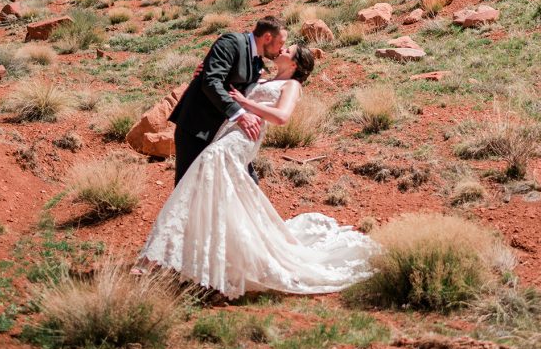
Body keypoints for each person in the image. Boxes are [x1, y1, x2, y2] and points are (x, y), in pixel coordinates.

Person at [138, 42, 378, 298]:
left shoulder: (292, 86)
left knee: (208, 167)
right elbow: (222, 87)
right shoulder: (260, 78)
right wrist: (204, 74)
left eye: (288, 51)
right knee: (220, 191)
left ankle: (178, 255)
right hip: (226, 133)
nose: (282, 50)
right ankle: (214, 254)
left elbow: (281, 117)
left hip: (244, 139)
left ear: (295, 64)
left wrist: (244, 103)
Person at [168, 16, 286, 185]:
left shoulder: (257, 60)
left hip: (224, 134)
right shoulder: (231, 43)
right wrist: (240, 115)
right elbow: (211, 82)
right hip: (198, 129)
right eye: (280, 43)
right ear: (267, 37)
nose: (281, 49)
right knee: (189, 186)